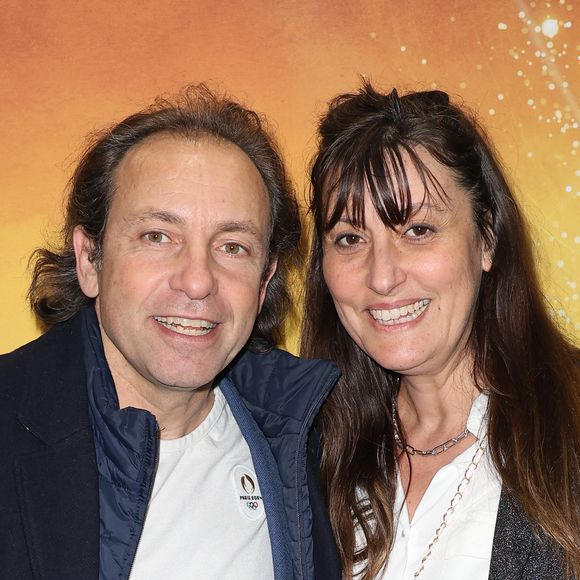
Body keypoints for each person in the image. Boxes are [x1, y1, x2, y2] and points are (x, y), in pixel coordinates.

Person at [0, 85, 341, 580]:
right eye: (158, 236)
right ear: (89, 259)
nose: (198, 280)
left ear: (265, 282)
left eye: (233, 246)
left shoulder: (309, 443)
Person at [301, 81, 580, 580]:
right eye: (349, 238)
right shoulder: (306, 457)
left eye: (418, 230)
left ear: (487, 239)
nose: (382, 276)